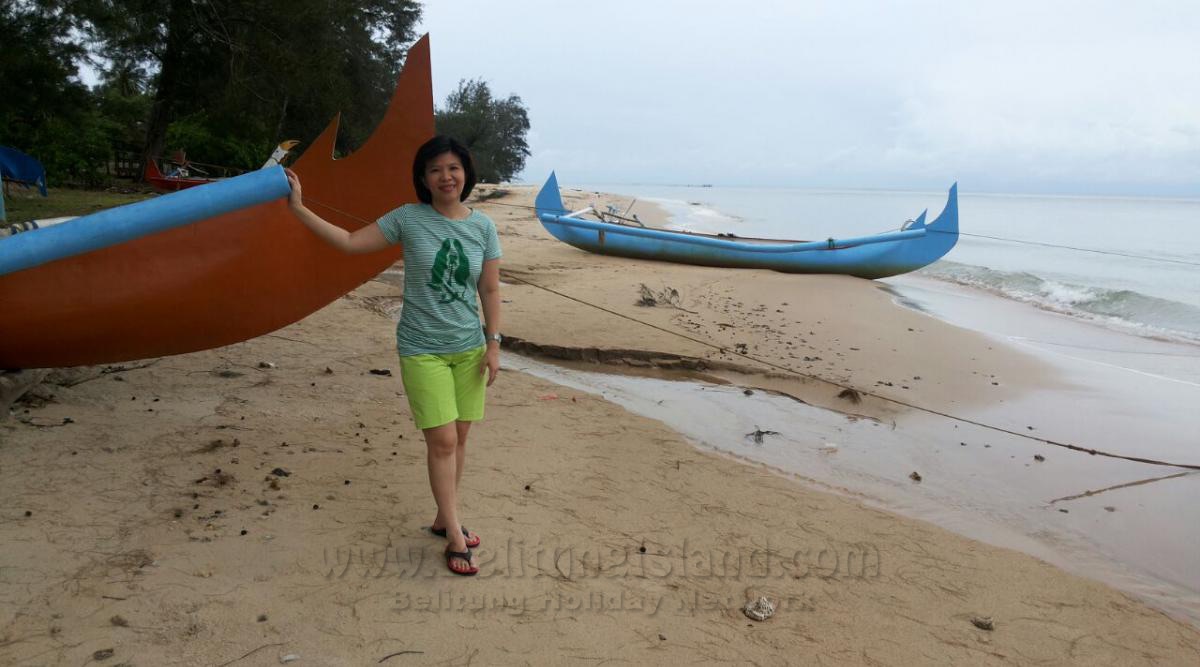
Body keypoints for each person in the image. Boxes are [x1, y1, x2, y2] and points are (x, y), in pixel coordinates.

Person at [285, 135, 502, 576]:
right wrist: (298, 209)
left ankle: (445, 517)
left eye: (453, 168)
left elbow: (490, 288)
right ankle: (456, 535)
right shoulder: (408, 219)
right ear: (423, 178)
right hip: (422, 349)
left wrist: (494, 341)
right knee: (441, 440)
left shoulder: (484, 227)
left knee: (460, 439)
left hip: (469, 349)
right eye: (436, 169)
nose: (446, 176)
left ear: (466, 174)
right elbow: (348, 242)